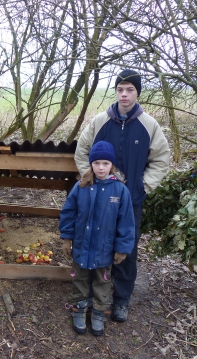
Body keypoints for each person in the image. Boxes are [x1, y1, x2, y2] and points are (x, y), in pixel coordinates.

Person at [74, 69, 170, 322]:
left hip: (131, 201)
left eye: (130, 90)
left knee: (126, 247)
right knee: (96, 243)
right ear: (115, 91)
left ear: (138, 93)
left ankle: (121, 299)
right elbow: (82, 151)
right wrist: (90, 180)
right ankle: (94, 295)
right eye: (120, 89)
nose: (124, 94)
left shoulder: (149, 125)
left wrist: (142, 187)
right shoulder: (99, 122)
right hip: (98, 200)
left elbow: (161, 160)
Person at [60, 141, 135, 335]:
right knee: (80, 278)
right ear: (91, 164)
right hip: (82, 247)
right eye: (97, 163)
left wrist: (122, 249)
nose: (101, 168)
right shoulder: (81, 186)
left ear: (112, 165)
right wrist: (67, 239)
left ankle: (99, 313)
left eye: (105, 163)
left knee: (103, 282)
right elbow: (69, 213)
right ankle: (79, 309)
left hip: (105, 248)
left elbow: (126, 222)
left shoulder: (120, 190)